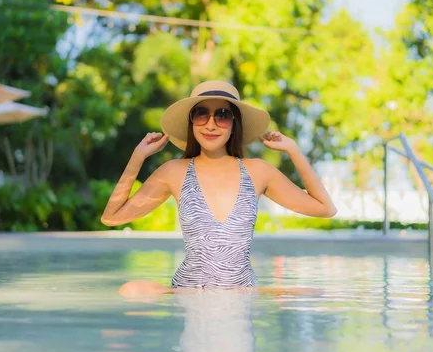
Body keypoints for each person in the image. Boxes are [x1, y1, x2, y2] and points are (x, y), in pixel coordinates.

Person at [101, 80, 336, 297]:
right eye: (201, 114)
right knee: (129, 290)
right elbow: (111, 218)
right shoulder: (174, 172)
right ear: (191, 121)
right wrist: (137, 157)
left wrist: (294, 151)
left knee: (315, 293)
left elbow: (325, 209)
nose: (211, 125)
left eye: (222, 115)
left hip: (241, 292)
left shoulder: (258, 171)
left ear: (234, 124)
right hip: (189, 292)